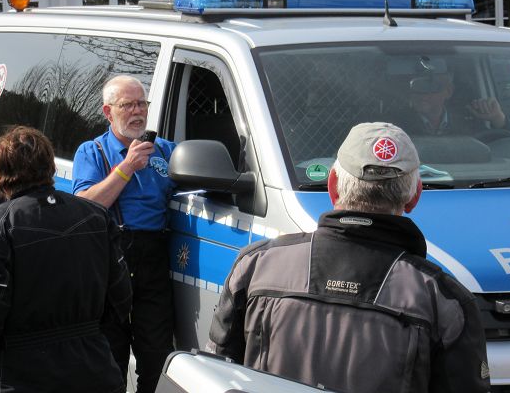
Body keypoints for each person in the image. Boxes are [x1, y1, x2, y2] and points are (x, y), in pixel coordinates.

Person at [207, 122, 490, 393]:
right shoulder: (443, 300)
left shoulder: (255, 267)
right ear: (414, 196)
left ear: (332, 186)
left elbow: (215, 375)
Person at [0, 126, 131, 393]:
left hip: (19, 372)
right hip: (91, 367)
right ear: (51, 166)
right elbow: (122, 298)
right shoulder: (96, 215)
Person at [71, 75, 176, 393]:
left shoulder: (166, 150)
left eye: (141, 103)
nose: (137, 111)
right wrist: (126, 167)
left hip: (153, 258)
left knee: (158, 360)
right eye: (127, 105)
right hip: (110, 258)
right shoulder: (92, 152)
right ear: (107, 111)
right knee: (109, 364)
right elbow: (87, 205)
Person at [396, 67, 507, 136]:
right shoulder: (396, 126)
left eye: (430, 86)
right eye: (416, 86)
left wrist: (497, 119)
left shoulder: (468, 121)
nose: (422, 94)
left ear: (448, 91)